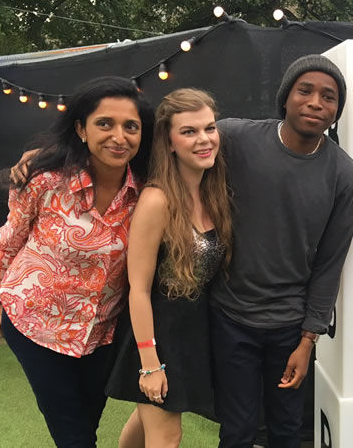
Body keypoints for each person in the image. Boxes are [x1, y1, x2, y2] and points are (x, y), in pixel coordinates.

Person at [0, 76, 153, 447]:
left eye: (131, 126)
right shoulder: (45, 181)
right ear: (81, 129)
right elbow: (8, 240)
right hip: (35, 324)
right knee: (73, 436)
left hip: (101, 333)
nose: (118, 136)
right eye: (104, 123)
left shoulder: (148, 194)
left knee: (85, 426)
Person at [210, 54, 353, 447]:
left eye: (328, 97)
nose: (315, 102)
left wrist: (309, 337)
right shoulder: (235, 138)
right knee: (237, 431)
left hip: (291, 329)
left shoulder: (343, 173)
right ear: (285, 97)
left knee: (287, 431)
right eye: (305, 90)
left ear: (336, 111)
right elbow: (175, 139)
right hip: (231, 316)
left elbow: (331, 261)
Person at [105, 88, 233, 447]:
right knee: (167, 435)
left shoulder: (214, 191)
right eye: (189, 132)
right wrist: (150, 363)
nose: (204, 139)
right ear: (170, 141)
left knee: (147, 421)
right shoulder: (156, 199)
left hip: (193, 332)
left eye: (209, 128)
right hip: (156, 335)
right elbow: (139, 289)